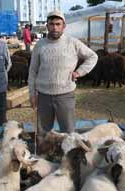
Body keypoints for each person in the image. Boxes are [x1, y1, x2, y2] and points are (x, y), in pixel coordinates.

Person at [28, 10, 98, 142]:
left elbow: (92, 56)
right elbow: (32, 71)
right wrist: (32, 94)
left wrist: (80, 72)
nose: (55, 27)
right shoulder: (40, 45)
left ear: (64, 26)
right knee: (43, 133)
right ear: (47, 26)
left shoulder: (73, 43)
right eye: (51, 24)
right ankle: (44, 159)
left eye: (58, 24)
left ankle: (68, 160)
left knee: (68, 132)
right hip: (43, 96)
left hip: (65, 95)